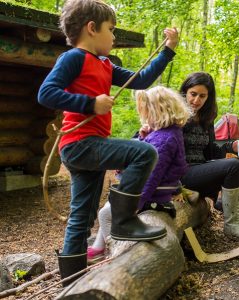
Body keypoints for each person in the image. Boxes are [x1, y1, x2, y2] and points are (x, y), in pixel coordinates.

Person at [37, 0, 179, 284]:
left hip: (89, 147)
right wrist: (90, 103)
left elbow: (142, 80)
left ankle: (72, 280)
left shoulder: (105, 64)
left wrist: (168, 49)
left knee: (83, 215)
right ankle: (124, 222)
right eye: (111, 30)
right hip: (80, 143)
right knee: (144, 153)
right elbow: (46, 93)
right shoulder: (73, 58)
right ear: (92, 28)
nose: (114, 37)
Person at [87, 86, 192, 263]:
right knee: (108, 206)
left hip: (154, 195)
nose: (145, 118)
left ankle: (113, 249)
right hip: (156, 191)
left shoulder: (163, 140)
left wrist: (134, 204)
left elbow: (152, 176)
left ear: (158, 112)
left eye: (147, 113)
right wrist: (143, 137)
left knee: (105, 215)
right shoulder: (165, 133)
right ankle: (98, 248)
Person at [175, 72, 239, 238]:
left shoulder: (205, 117)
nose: (196, 100)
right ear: (185, 92)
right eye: (193, 94)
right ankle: (231, 226)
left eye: (202, 96)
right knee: (234, 166)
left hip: (199, 169)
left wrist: (231, 146)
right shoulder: (175, 115)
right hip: (181, 175)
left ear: (208, 97)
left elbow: (210, 151)